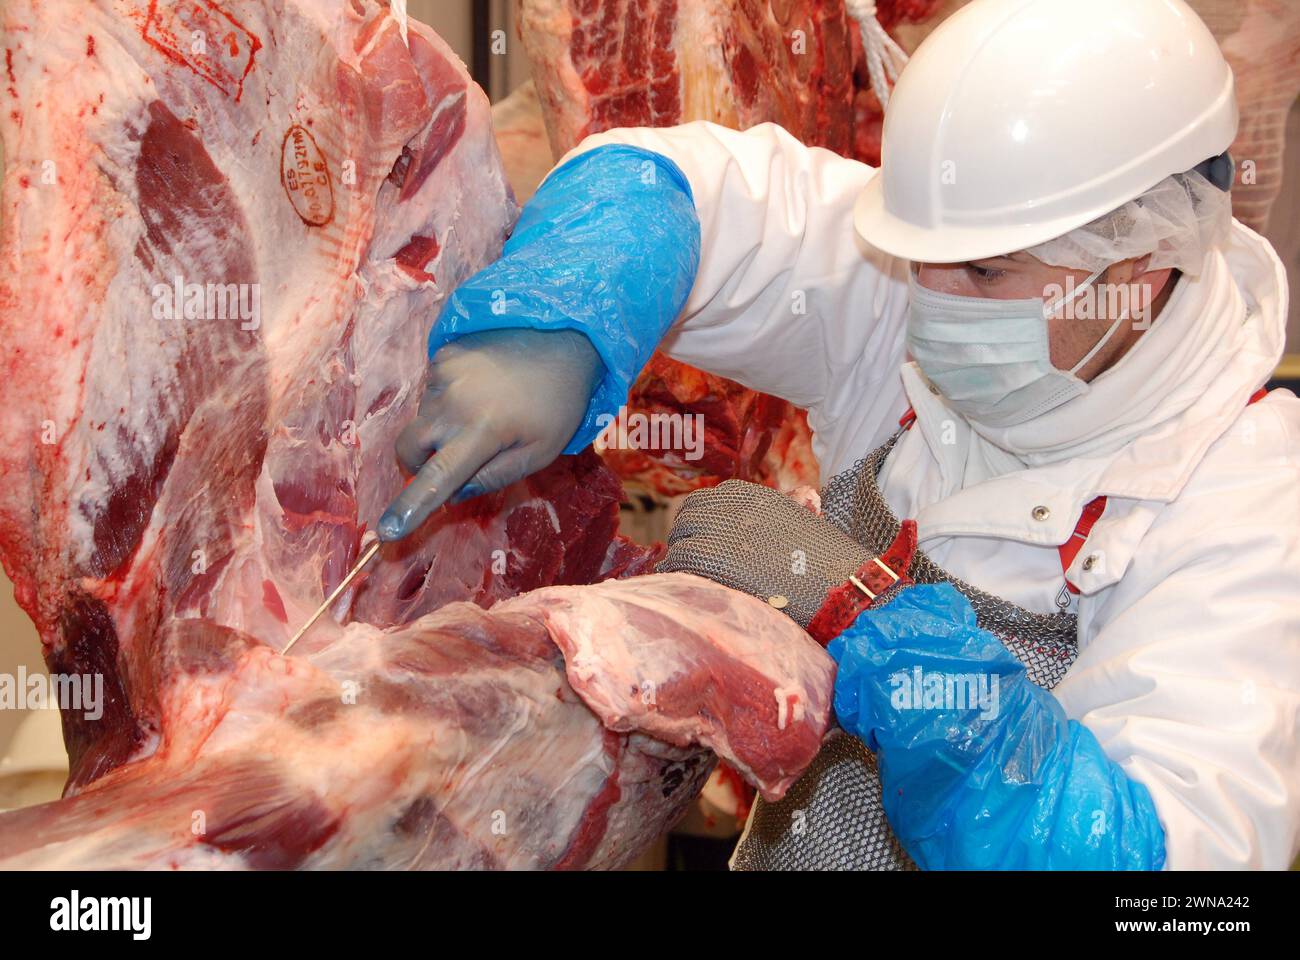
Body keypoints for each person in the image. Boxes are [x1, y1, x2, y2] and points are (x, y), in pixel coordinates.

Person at [377, 0, 1299, 869]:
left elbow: (1170, 876)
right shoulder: (937, 289)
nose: (930, 305)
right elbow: (685, 184)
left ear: (1134, 270)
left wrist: (863, 621)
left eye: (982, 272)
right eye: (920, 258)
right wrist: (562, 315)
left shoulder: (1248, 493)